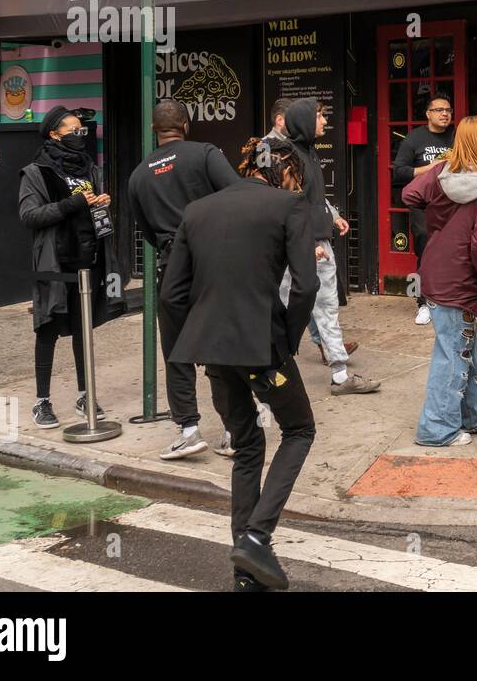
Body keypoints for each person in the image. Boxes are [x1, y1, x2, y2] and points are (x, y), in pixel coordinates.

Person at [162, 138, 318, 592]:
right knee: (300, 429)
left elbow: (172, 296)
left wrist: (186, 349)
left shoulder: (198, 210)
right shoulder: (289, 206)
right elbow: (306, 287)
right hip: (262, 343)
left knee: (247, 446)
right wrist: (286, 338)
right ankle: (255, 537)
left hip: (210, 346)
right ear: (286, 172)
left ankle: (245, 572)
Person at [127, 98, 240, 460]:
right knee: (220, 346)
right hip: (214, 262)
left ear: (152, 130)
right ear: (186, 125)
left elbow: (144, 229)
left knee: (177, 350)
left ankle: (188, 429)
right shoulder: (205, 153)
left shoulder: (138, 175)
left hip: (171, 266)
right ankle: (234, 430)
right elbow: (237, 196)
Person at [19, 107, 125, 429]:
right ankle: (42, 402)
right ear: (54, 133)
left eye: (82, 130)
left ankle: (85, 394)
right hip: (56, 265)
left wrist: (101, 205)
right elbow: (29, 216)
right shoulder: (36, 172)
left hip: (87, 262)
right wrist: (75, 203)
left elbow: (92, 207)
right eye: (73, 130)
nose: (80, 135)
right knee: (48, 329)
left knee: (83, 331)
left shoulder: (89, 168)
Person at [404, 115, 477, 447]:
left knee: (461, 350)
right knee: (453, 355)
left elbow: (408, 195)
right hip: (460, 279)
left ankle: (475, 415)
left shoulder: (440, 172)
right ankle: (436, 428)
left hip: (434, 271)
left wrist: (438, 220)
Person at [282, 98, 377, 395]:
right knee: (284, 310)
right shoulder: (289, 158)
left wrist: (332, 216)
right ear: (304, 121)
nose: (325, 121)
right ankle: (271, 373)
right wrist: (302, 247)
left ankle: (339, 373)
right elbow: (283, 207)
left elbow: (312, 198)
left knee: (326, 309)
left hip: (318, 243)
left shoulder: (307, 153)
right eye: (320, 116)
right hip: (303, 247)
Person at [393, 93, 456, 325]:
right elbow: (399, 171)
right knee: (424, 249)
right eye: (439, 110)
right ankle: (422, 302)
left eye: (448, 110)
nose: (444, 114)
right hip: (423, 204)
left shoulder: (457, 135)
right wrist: (429, 168)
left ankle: (448, 297)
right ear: (428, 114)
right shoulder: (414, 138)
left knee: (452, 250)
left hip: (452, 201)